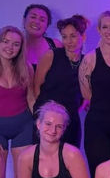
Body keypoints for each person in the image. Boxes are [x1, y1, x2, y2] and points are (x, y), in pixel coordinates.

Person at [79, 11, 110, 178]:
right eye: (105, 27)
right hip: (97, 125)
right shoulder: (90, 59)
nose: (109, 31)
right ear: (99, 30)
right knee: (99, 176)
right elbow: (86, 94)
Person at [0, 26, 34, 178]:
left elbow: (31, 99)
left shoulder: (27, 68)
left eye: (15, 43)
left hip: (23, 124)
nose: (9, 47)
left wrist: (39, 125)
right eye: (5, 41)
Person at [34, 14, 89, 148]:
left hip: (70, 122)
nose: (69, 41)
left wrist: (77, 110)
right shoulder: (51, 55)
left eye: (73, 36)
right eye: (64, 37)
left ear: (83, 37)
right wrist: (40, 114)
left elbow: (87, 95)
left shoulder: (87, 62)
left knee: (68, 162)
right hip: (46, 121)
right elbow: (36, 86)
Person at [23, 4, 62, 72]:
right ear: (24, 20)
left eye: (42, 20)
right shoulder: (13, 45)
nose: (37, 22)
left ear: (47, 26)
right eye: (33, 17)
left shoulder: (56, 45)